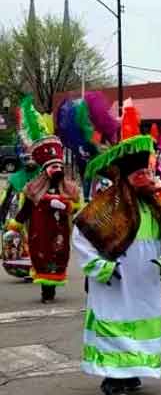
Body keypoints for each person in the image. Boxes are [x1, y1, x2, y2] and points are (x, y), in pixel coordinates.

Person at [74, 104, 161, 395]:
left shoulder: (158, 205)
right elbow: (82, 237)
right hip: (116, 279)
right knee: (114, 322)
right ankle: (113, 380)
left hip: (146, 278)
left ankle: (131, 369)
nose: (148, 178)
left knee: (142, 323)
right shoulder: (106, 207)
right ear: (125, 177)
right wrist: (103, 268)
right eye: (140, 174)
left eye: (149, 172)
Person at [15, 97, 81, 303]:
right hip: (40, 230)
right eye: (54, 168)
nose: (58, 170)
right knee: (42, 256)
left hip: (60, 231)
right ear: (45, 170)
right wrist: (16, 223)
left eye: (60, 167)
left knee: (58, 256)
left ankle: (52, 287)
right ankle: (46, 290)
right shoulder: (34, 187)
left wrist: (67, 205)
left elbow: (77, 210)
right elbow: (26, 207)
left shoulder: (68, 187)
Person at [1, 149, 37, 280]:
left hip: (38, 214)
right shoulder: (15, 177)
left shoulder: (43, 175)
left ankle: (37, 268)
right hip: (19, 215)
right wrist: (3, 216)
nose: (30, 161)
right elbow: (6, 198)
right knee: (21, 242)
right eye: (27, 158)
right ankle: (26, 269)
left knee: (36, 241)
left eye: (32, 158)